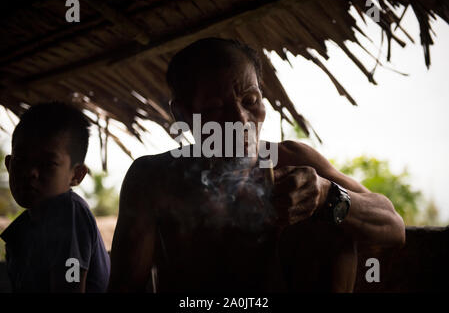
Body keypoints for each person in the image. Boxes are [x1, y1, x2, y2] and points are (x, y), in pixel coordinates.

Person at [108, 38, 405, 292]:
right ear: (183, 115)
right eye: (214, 108)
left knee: (331, 223)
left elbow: (393, 229)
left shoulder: (293, 161)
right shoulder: (154, 179)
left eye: (250, 99)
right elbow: (125, 287)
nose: (239, 119)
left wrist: (327, 195)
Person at [1, 102, 110, 292]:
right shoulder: (20, 232)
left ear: (76, 175)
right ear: (9, 165)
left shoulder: (70, 214)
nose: (30, 172)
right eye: (21, 160)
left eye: (48, 163)